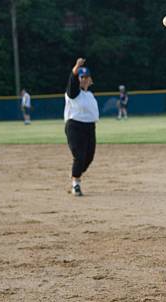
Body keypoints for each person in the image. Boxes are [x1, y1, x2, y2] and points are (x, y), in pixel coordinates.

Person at [64, 57, 99, 197]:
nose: (83, 79)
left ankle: (75, 174)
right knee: (79, 156)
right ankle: (76, 184)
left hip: (90, 128)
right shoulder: (73, 93)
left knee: (88, 158)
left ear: (90, 80)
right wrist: (76, 68)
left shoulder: (89, 95)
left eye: (86, 77)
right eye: (81, 77)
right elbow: (72, 83)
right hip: (75, 127)